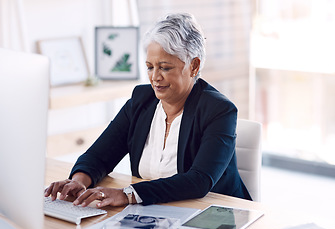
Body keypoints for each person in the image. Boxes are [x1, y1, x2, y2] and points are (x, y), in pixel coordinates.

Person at [45, 13, 251, 208]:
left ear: (194, 66)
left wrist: (128, 194)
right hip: (156, 213)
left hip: (214, 215)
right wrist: (78, 181)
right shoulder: (141, 101)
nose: (155, 77)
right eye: (150, 67)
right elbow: (99, 156)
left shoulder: (219, 111)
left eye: (165, 67)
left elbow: (199, 181)